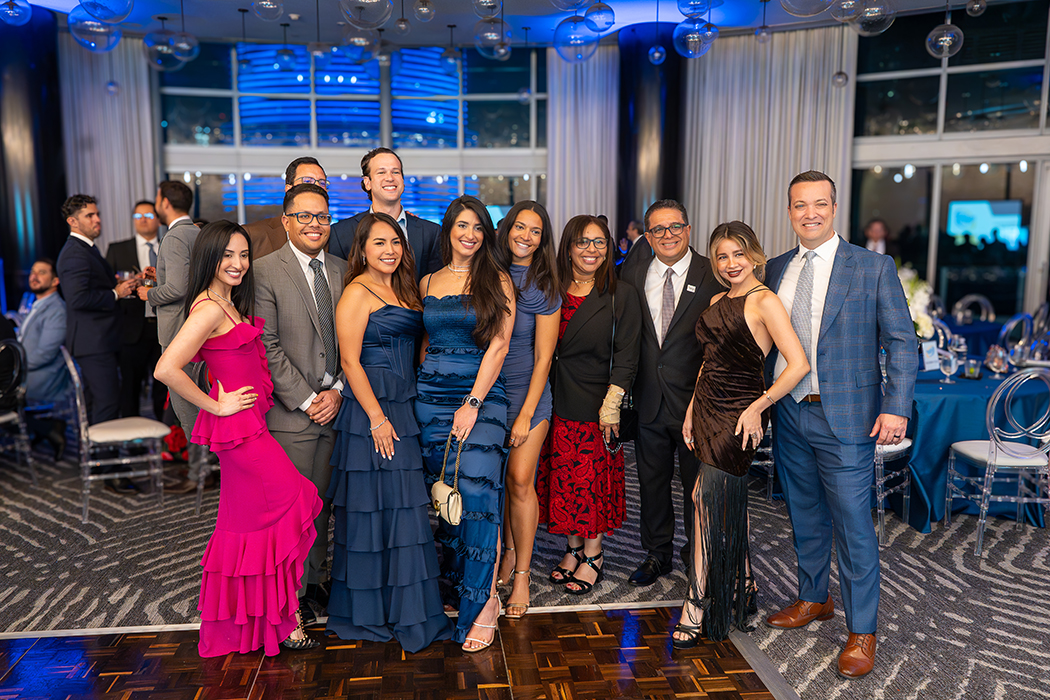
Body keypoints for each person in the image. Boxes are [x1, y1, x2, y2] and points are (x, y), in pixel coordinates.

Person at [764, 171, 916, 679]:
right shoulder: (775, 268)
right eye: (800, 205)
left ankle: (862, 630)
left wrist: (896, 406)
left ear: (833, 207)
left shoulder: (873, 267)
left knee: (853, 524)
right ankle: (814, 598)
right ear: (789, 211)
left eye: (819, 204)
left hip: (849, 418)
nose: (810, 213)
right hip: (790, 413)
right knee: (804, 513)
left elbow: (901, 340)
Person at [154, 221, 323, 657]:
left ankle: (273, 621)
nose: (238, 263)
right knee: (293, 501)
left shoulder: (227, 302)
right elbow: (166, 368)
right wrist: (216, 405)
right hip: (241, 436)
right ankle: (284, 619)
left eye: (244, 254)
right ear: (210, 258)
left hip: (251, 428)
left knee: (249, 528)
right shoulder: (208, 309)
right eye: (228, 255)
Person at [671, 221, 809, 648]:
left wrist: (758, 407)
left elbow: (799, 364)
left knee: (705, 500)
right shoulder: (716, 299)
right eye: (722, 256)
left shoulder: (765, 300)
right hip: (707, 408)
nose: (730, 263)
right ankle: (745, 585)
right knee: (725, 502)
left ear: (754, 256)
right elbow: (708, 361)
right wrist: (691, 410)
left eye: (738, 254)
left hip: (740, 414)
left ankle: (696, 601)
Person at [325, 211, 452, 651]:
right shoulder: (356, 292)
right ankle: (370, 613)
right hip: (372, 412)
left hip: (405, 404)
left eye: (395, 242)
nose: (390, 250)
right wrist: (378, 418)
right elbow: (349, 361)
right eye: (379, 243)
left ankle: (408, 610)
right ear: (362, 250)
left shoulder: (405, 288)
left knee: (405, 510)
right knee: (373, 511)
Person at [415, 195, 514, 651]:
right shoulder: (427, 281)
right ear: (449, 231)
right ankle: (461, 584)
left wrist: (472, 402)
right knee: (446, 495)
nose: (470, 234)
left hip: (481, 396)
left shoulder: (497, 279)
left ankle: (484, 602)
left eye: (478, 227)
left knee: (476, 494)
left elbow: (499, 345)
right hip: (431, 400)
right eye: (462, 226)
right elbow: (425, 341)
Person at [254, 183, 346, 623]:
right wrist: (309, 399)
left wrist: (338, 391)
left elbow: (355, 341)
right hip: (291, 414)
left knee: (323, 505)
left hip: (337, 407)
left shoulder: (344, 269)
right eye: (305, 216)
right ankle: (287, 596)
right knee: (291, 511)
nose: (315, 224)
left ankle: (314, 581)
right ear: (286, 220)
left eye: (322, 216)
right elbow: (267, 346)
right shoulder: (263, 271)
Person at [537, 215, 641, 596]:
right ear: (568, 247)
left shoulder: (620, 293)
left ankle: (594, 553)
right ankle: (573, 548)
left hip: (596, 404)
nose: (591, 250)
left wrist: (612, 404)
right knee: (563, 480)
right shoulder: (551, 289)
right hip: (553, 398)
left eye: (599, 242)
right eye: (583, 242)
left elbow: (628, 355)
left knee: (590, 482)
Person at [620, 199, 722, 587]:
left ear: (688, 229)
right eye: (658, 229)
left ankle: (698, 554)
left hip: (697, 403)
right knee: (651, 483)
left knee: (698, 487)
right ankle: (657, 553)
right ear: (647, 236)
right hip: (648, 398)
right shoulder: (633, 272)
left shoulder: (713, 273)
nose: (668, 235)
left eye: (675, 226)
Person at [491, 201, 561, 619]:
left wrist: (525, 414)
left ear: (543, 239)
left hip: (528, 396)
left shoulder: (545, 285)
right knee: (496, 481)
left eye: (536, 231)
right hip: (489, 393)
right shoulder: (489, 273)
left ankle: (521, 574)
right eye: (521, 227)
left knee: (519, 480)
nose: (526, 236)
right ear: (507, 229)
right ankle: (506, 550)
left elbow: (544, 357)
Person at [55, 195, 138, 493]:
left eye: (97, 214)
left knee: (97, 404)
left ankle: (98, 463)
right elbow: (78, 299)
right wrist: (115, 293)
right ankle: (110, 471)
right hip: (93, 342)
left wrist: (117, 286)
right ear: (73, 221)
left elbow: (91, 287)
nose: (97, 219)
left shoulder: (85, 249)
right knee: (106, 404)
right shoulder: (75, 253)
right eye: (89, 215)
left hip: (97, 339)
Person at [141, 181, 211, 495]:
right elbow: (190, 280)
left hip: (178, 334)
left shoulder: (174, 236)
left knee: (188, 410)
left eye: (157, 199)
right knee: (199, 403)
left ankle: (200, 473)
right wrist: (162, 277)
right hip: (198, 331)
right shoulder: (198, 233)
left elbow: (178, 289)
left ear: (165, 203)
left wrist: (148, 293)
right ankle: (205, 469)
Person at [329, 148, 443, 281]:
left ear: (403, 181)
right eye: (381, 172)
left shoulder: (431, 232)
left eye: (396, 172)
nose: (389, 178)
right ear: (367, 183)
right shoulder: (340, 233)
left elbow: (435, 286)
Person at [106, 200, 166, 420]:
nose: (142, 220)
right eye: (137, 216)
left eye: (148, 216)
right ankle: (132, 438)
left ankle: (169, 436)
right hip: (131, 329)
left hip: (164, 327)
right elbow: (107, 288)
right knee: (130, 387)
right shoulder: (117, 249)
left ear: (158, 220)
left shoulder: (169, 247)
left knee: (165, 387)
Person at [16, 258, 69, 459]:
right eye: (33, 272)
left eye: (42, 272)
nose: (34, 276)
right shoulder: (37, 304)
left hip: (45, 377)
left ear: (55, 281)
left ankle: (46, 428)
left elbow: (45, 354)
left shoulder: (57, 310)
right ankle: (43, 427)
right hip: (28, 373)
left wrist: (14, 367)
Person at [242, 157, 329, 259]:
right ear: (288, 189)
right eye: (308, 181)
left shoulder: (332, 238)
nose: (317, 187)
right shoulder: (252, 235)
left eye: (322, 183)